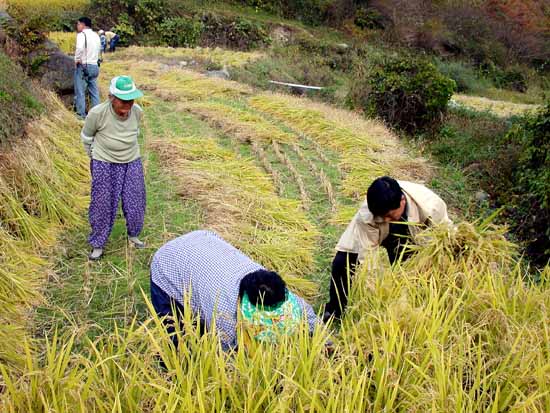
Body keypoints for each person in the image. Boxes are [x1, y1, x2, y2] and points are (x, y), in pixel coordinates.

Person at [150, 230, 323, 351]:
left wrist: (326, 344)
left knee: (202, 324)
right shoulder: (225, 314)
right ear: (243, 303)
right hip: (168, 265)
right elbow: (228, 357)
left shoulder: (274, 290)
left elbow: (307, 315)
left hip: (203, 240)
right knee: (178, 336)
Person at [324, 176, 452, 320]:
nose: (385, 220)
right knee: (342, 262)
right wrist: (375, 288)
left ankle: (411, 312)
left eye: (389, 216)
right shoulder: (369, 213)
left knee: (410, 273)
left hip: (412, 235)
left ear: (402, 201)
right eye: (381, 216)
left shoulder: (431, 206)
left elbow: (445, 237)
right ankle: (336, 310)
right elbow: (367, 258)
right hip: (373, 231)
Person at [81, 75, 146, 260]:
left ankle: (133, 235)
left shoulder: (137, 112)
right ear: (111, 97)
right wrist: (94, 157)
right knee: (102, 203)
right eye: (123, 101)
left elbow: (134, 132)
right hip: (104, 162)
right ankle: (98, 244)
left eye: (131, 100)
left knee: (135, 199)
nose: (127, 106)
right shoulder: (97, 113)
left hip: (131, 160)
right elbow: (86, 137)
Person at [74, 17, 101, 119]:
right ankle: (97, 115)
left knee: (80, 91)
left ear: (83, 24)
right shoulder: (96, 36)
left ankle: (81, 115)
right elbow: (99, 49)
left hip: (84, 66)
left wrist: (76, 59)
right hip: (95, 66)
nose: (77, 26)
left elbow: (80, 48)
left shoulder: (81, 35)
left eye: (78, 24)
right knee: (94, 92)